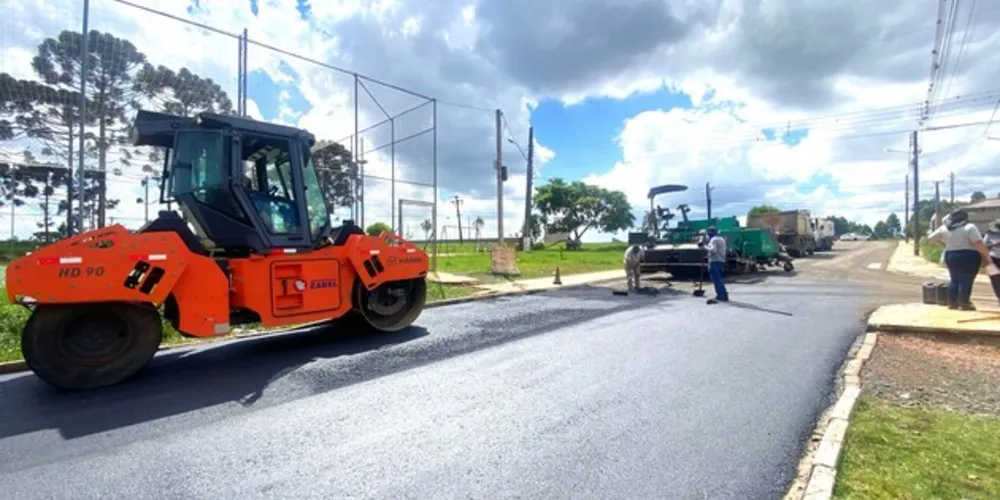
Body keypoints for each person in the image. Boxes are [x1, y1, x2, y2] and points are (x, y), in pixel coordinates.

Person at [927, 209, 992, 310]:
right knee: (966, 280)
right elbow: (978, 242)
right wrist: (986, 256)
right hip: (969, 255)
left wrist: (945, 246)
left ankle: (952, 302)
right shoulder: (969, 227)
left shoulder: (945, 228)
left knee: (954, 279)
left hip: (951, 255)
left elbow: (931, 238)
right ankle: (964, 303)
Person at [703, 226, 729, 304]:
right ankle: (724, 294)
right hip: (721, 261)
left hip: (714, 261)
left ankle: (720, 295)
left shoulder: (713, 239)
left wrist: (704, 246)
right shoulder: (722, 239)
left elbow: (713, 250)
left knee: (716, 279)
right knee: (719, 279)